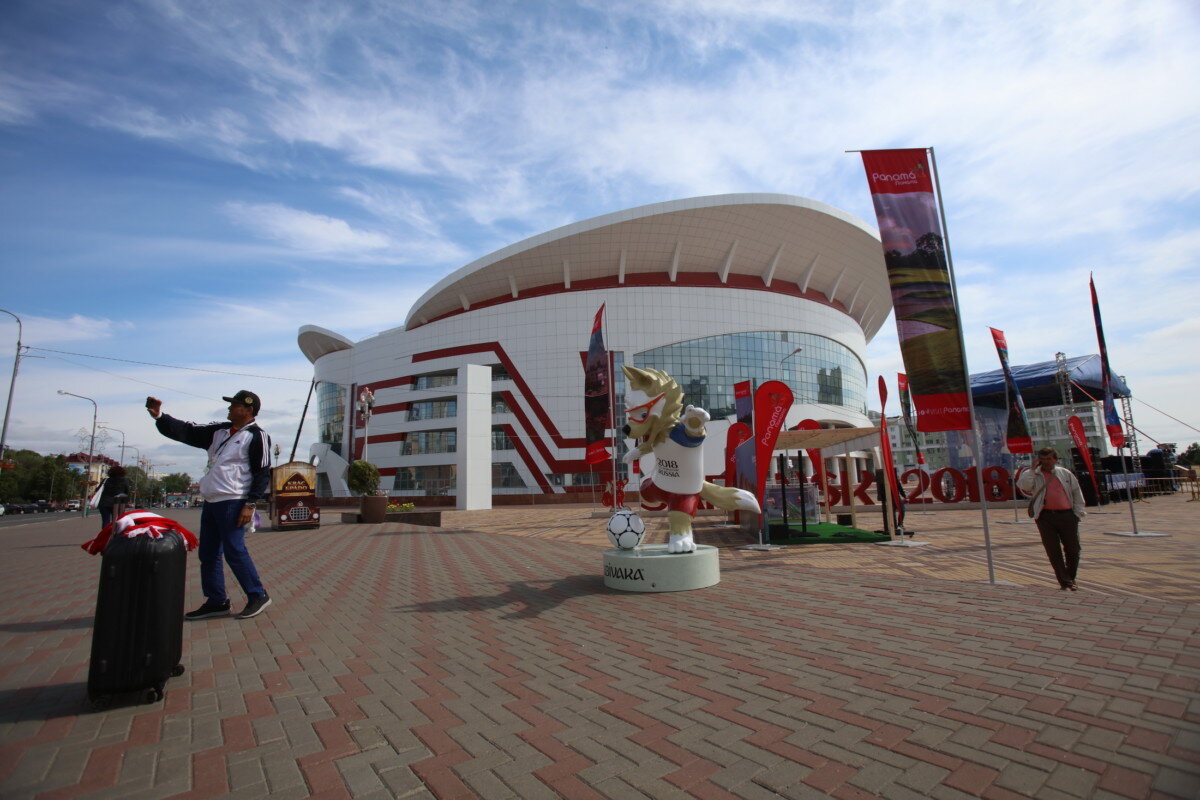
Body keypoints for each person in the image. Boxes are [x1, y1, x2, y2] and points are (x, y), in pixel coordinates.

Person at [147, 390, 273, 619]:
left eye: (234, 405)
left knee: (235, 550)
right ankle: (217, 600)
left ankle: (257, 595)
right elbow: (188, 431)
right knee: (208, 553)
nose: (229, 408)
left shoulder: (257, 436)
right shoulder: (219, 431)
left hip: (234, 500)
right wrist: (160, 416)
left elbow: (262, 472)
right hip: (213, 500)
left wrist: (251, 503)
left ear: (248, 409)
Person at [1017, 446, 1087, 590]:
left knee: (1073, 548)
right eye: (1042, 460)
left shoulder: (1064, 473)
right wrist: (1032, 470)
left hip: (1067, 515)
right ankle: (1065, 581)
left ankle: (1070, 576)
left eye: (1049, 459)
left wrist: (1078, 513)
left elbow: (1076, 493)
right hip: (1045, 517)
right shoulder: (1034, 475)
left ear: (1055, 459)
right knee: (1053, 550)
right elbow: (1024, 485)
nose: (1046, 462)